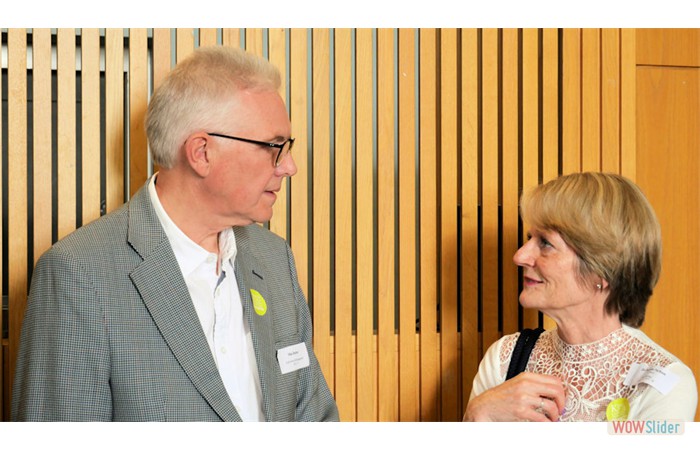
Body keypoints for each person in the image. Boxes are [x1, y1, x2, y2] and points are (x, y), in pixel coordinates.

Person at [12, 46, 339, 422]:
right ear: (201, 153)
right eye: (274, 147)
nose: (290, 166)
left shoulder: (274, 258)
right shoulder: (79, 274)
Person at [464, 172, 697, 422]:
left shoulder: (666, 385)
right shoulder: (505, 357)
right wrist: (480, 413)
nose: (520, 256)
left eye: (545, 243)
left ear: (601, 268)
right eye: (529, 238)